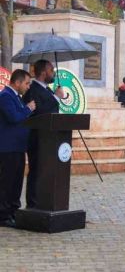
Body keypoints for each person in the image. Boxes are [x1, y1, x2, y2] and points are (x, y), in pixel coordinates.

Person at [22, 60, 65, 209]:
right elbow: (38, 112)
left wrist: (57, 96)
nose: (53, 73)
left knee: (45, 170)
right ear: (43, 73)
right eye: (51, 70)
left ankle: (43, 201)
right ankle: (32, 204)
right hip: (37, 138)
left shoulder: (47, 90)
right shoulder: (32, 90)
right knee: (36, 170)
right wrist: (56, 98)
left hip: (50, 138)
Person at [0, 70, 36, 228]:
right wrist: (28, 109)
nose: (28, 87)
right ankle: (3, 216)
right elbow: (14, 117)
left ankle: (13, 211)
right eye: (27, 83)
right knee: (7, 183)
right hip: (7, 148)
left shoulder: (17, 97)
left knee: (16, 183)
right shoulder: (5, 96)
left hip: (18, 147)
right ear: (17, 82)